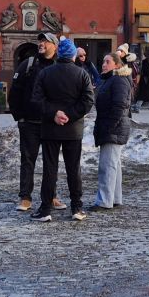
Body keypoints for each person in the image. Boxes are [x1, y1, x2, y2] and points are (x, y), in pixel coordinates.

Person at [28, 37, 95, 222]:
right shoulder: (82, 74)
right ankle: (77, 207)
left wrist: (54, 114)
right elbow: (88, 101)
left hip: (50, 128)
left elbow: (36, 100)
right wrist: (70, 115)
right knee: (74, 169)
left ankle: (46, 209)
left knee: (50, 168)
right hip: (73, 129)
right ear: (73, 54)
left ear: (59, 53)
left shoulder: (46, 73)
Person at [9, 34, 59, 213]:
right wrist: (19, 117)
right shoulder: (28, 64)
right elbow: (14, 91)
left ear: (55, 45)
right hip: (29, 122)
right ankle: (25, 197)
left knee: (50, 162)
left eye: (45, 41)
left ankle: (51, 195)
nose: (41, 44)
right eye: (40, 41)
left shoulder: (59, 66)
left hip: (50, 122)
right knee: (28, 160)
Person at [90, 51, 133, 212]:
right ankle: (114, 198)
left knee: (107, 166)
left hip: (113, 128)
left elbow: (120, 106)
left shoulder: (118, 81)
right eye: (103, 61)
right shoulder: (112, 79)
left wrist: (110, 126)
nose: (103, 64)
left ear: (117, 64)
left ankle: (104, 201)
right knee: (114, 164)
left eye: (107, 61)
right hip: (113, 127)